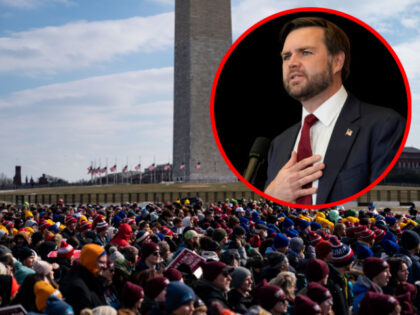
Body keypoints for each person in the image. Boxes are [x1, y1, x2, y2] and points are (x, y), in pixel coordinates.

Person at [264, 16, 405, 204]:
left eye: (305, 52)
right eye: (286, 56)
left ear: (337, 62)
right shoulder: (278, 145)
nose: (292, 63)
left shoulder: (384, 126)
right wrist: (271, 197)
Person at [60, 243, 108, 314]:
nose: (105, 266)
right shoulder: (77, 287)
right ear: (90, 261)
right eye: (102, 262)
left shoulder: (94, 279)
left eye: (105, 262)